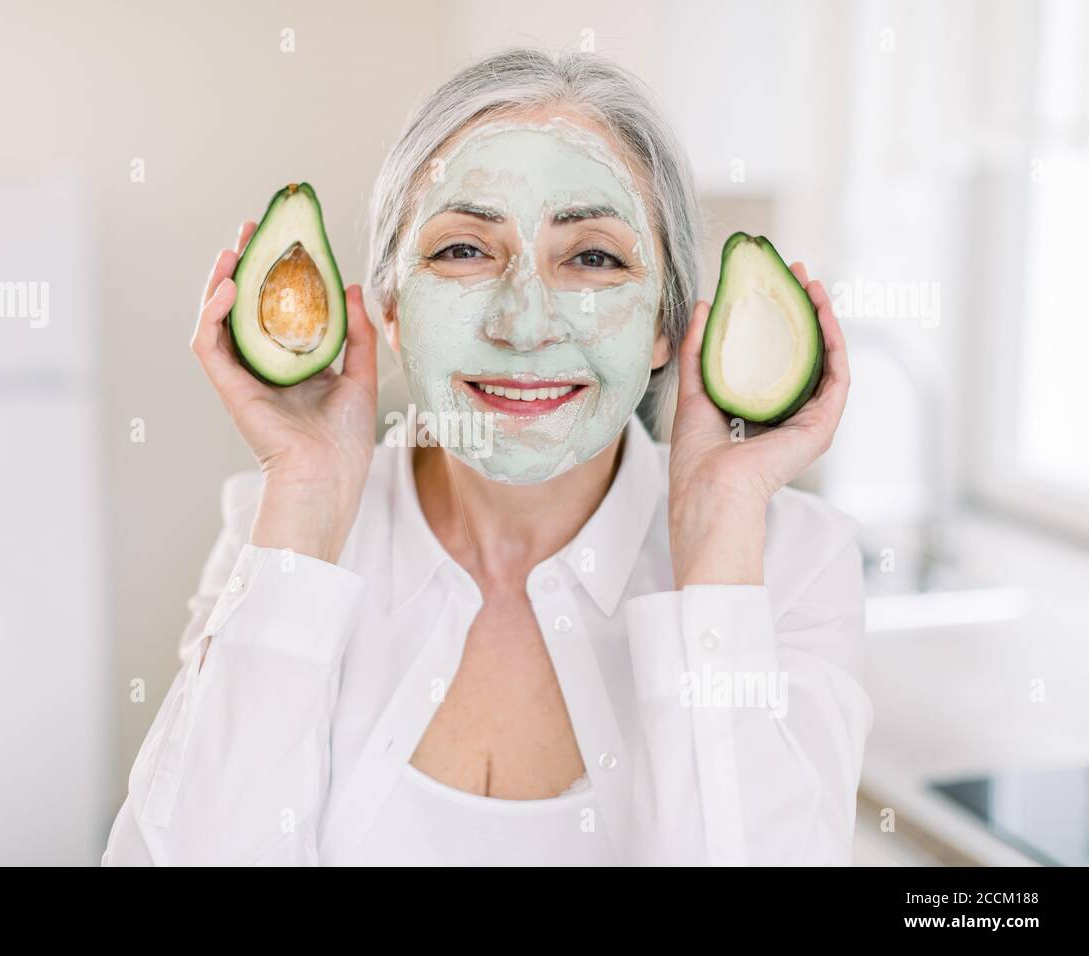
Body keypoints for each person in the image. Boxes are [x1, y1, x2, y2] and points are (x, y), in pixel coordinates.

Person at [103, 47, 871, 866]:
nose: (524, 324)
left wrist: (716, 545)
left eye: (593, 257)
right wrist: (305, 496)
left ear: (664, 325)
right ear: (390, 308)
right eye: (464, 251)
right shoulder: (281, 536)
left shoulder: (790, 566)